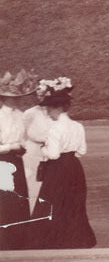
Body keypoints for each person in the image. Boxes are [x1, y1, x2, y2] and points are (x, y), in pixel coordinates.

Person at [30, 78, 96, 249]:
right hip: (74, 167)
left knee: (53, 202)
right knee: (73, 203)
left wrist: (43, 149)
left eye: (50, 109)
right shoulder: (78, 126)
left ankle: (53, 239)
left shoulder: (54, 129)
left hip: (57, 168)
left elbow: (52, 155)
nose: (48, 112)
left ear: (59, 108)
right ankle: (77, 238)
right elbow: (82, 151)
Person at [0, 70, 35, 251]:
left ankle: (19, 240)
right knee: (5, 200)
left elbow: (23, 138)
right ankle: (5, 241)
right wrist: (12, 147)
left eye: (16, 97)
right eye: (10, 97)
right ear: (3, 98)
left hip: (17, 161)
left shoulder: (20, 115)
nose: (14, 100)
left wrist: (21, 146)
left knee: (19, 197)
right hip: (3, 161)